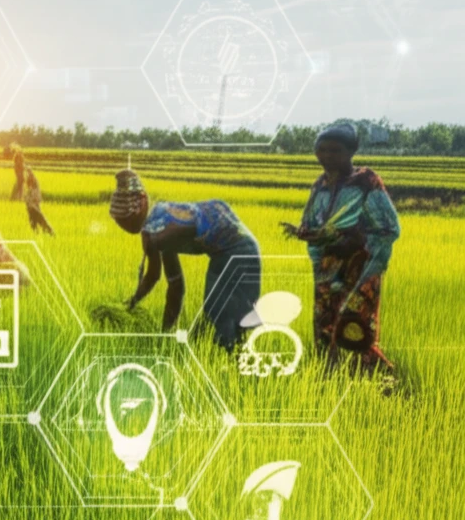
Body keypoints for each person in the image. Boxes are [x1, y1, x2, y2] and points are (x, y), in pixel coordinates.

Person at [281, 123, 400, 371]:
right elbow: (311, 224)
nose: (327, 156)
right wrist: (303, 233)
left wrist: (356, 240)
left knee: (354, 326)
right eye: (322, 150)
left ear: (351, 151)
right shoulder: (320, 185)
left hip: (359, 266)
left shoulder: (365, 181)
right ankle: (330, 377)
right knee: (325, 324)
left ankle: (382, 378)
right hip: (327, 268)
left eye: (335, 150)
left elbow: (388, 228)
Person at [110, 169, 261, 349]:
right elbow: (175, 286)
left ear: (143, 201)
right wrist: (164, 332)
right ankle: (229, 347)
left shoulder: (157, 233)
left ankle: (235, 354)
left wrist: (133, 301)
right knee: (211, 319)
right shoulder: (158, 224)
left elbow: (154, 276)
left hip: (237, 251)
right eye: (120, 221)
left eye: (126, 218)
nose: (124, 225)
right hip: (224, 254)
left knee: (218, 313)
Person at [24, 166, 55, 236]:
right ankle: (47, 234)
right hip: (32, 209)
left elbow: (35, 198)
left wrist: (29, 201)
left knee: (41, 224)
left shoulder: (34, 186)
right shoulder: (31, 186)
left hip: (34, 209)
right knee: (35, 225)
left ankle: (51, 234)